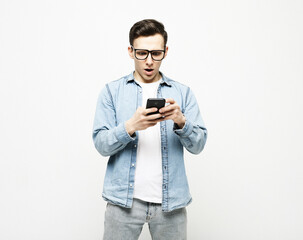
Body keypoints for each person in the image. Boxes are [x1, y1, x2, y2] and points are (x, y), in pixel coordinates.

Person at [92, 19, 207, 240]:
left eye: (156, 53)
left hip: (171, 204)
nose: (149, 61)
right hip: (123, 203)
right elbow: (101, 144)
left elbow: (199, 145)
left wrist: (181, 122)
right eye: (142, 53)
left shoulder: (183, 93)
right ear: (130, 51)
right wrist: (130, 126)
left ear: (165, 52)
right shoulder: (111, 92)